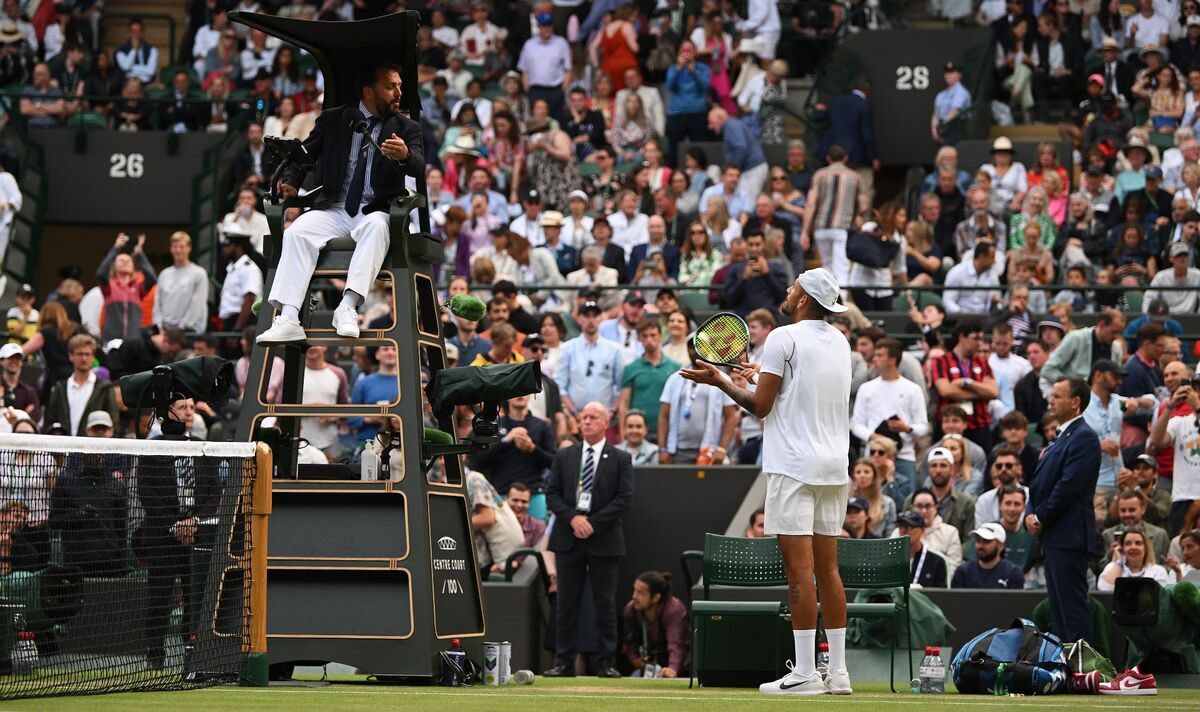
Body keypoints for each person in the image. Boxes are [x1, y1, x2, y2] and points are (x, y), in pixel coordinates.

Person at [681, 268, 854, 696]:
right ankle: (839, 673)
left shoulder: (782, 337)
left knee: (800, 574)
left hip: (794, 467)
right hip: (834, 469)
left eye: (793, 286)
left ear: (804, 299)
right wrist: (760, 376)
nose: (787, 290)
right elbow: (796, 395)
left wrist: (723, 381)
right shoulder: (841, 342)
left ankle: (806, 675)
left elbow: (761, 408)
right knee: (828, 570)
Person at [257, 63, 423, 345]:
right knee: (297, 232)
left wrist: (406, 156)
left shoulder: (406, 128)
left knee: (377, 227)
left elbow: (419, 166)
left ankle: (347, 306)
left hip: (376, 210)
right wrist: (292, 181)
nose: (398, 93)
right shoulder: (335, 119)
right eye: (391, 86)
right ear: (369, 91)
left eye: (400, 86)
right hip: (335, 207)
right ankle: (288, 317)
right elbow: (305, 153)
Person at [543, 401, 634, 678]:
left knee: (604, 603)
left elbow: (625, 498)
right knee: (566, 603)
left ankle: (606, 662)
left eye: (594, 417)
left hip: (603, 538)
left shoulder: (620, 458)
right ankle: (564, 661)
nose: (587, 422)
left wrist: (591, 523)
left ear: (607, 423)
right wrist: (573, 518)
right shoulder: (565, 455)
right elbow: (552, 493)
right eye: (583, 417)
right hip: (569, 536)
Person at [133, 396, 220, 670]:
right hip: (161, 536)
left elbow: (214, 492)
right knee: (160, 596)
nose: (189, 413)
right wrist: (174, 524)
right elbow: (147, 493)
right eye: (183, 408)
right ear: (166, 414)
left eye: (192, 408)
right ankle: (154, 656)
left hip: (196, 535)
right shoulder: (152, 449)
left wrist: (195, 522)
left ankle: (192, 651)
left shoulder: (203, 447)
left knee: (195, 597)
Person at [1026, 378, 1102, 644]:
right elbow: (1038, 484)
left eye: (1057, 396)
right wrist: (1030, 512)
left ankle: (1082, 668)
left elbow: (1069, 486)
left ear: (1075, 402)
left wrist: (1041, 516)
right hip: (1054, 535)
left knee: (1071, 607)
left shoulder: (1085, 437)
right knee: (1059, 610)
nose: (1050, 400)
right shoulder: (1060, 437)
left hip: (1069, 535)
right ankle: (1067, 671)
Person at [851, 337, 929, 492]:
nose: (875, 359)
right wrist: (874, 437)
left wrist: (906, 428)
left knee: (906, 502)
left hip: (904, 456)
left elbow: (923, 426)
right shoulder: (866, 388)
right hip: (874, 455)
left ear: (893, 359)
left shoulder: (912, 389)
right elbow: (856, 424)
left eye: (880, 355)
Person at [930, 318, 999, 451]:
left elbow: (994, 392)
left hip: (979, 425)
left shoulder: (982, 363)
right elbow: (945, 391)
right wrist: (980, 392)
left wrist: (967, 382)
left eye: (981, 338)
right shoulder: (941, 361)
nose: (980, 343)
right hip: (949, 426)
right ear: (962, 337)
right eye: (976, 338)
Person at [802, 145, 865, 289]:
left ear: (828, 158)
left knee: (827, 266)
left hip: (821, 227)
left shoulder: (819, 175)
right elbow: (863, 205)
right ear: (845, 158)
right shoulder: (855, 177)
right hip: (842, 227)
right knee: (841, 266)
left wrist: (805, 231)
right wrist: (858, 217)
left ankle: (827, 300)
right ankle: (840, 301)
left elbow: (811, 204)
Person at [1148, 377, 1200, 534]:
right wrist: (1170, 407)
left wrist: (1197, 407)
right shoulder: (1179, 421)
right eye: (1196, 386)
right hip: (1183, 496)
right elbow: (1156, 440)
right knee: (1181, 547)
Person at [618, 318, 679, 442]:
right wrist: (623, 433)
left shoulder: (675, 367)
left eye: (653, 335)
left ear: (661, 336)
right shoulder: (631, 368)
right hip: (638, 430)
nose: (649, 340)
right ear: (639, 339)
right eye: (644, 336)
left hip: (668, 429)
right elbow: (624, 403)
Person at [43, 334, 117, 437]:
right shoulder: (60, 388)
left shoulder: (105, 388)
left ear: (93, 356)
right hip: (63, 447)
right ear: (71, 356)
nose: (84, 358)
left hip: (93, 448)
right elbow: (51, 420)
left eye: (87, 354)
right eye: (80, 354)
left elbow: (113, 422)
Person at [622, 570, 689, 678]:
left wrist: (672, 669)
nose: (634, 596)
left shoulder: (673, 609)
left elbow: (676, 643)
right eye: (635, 590)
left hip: (677, 668)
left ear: (656, 597)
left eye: (640, 593)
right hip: (647, 668)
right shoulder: (631, 609)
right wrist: (635, 659)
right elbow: (630, 640)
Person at [1040, 308, 1127, 389]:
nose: (1116, 337)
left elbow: (1116, 380)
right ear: (1102, 325)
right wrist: (1070, 386)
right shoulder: (1075, 338)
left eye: (1119, 333)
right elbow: (1048, 369)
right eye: (1114, 332)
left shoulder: (1116, 349)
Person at [466, 464, 525, 575]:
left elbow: (487, 518)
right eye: (440, 458)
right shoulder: (440, 480)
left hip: (479, 561)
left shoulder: (473, 479)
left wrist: (453, 526)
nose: (442, 461)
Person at [517, 12, 572, 124]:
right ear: (538, 27)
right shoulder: (529, 44)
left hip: (555, 90)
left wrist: (562, 88)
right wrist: (527, 88)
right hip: (536, 90)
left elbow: (568, 69)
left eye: (549, 25)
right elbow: (524, 69)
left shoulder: (561, 43)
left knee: (556, 122)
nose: (547, 28)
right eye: (544, 26)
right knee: (536, 123)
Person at [1101, 489, 1171, 560]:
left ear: (1143, 509)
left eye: (1132, 510)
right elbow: (1101, 568)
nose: (1127, 514)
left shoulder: (1159, 535)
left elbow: (1167, 566)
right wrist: (1110, 556)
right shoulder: (1108, 535)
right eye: (1123, 510)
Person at [952, 522, 1026, 589]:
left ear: (1000, 546)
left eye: (986, 542)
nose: (980, 546)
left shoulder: (1013, 573)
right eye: (978, 541)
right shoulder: (963, 571)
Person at [1098, 528, 1173, 590]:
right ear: (1122, 548)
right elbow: (1105, 589)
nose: (1133, 547)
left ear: (1146, 548)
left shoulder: (1158, 571)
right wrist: (1119, 562)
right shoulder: (1112, 567)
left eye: (1138, 543)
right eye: (1128, 543)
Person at [897, 509, 949, 588]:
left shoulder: (937, 560)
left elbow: (943, 595)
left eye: (909, 527)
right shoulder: (889, 558)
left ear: (922, 530)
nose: (904, 531)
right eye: (901, 527)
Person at [931, 62, 972, 145]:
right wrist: (934, 129)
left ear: (959, 75)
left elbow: (955, 111)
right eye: (947, 72)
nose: (949, 75)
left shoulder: (961, 92)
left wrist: (942, 125)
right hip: (942, 130)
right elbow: (935, 114)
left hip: (957, 129)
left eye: (952, 72)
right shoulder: (941, 95)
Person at [506, 481, 547, 549]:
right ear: (506, 500)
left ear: (530, 503)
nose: (519, 505)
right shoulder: (496, 525)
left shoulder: (539, 528)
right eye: (515, 500)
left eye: (524, 501)